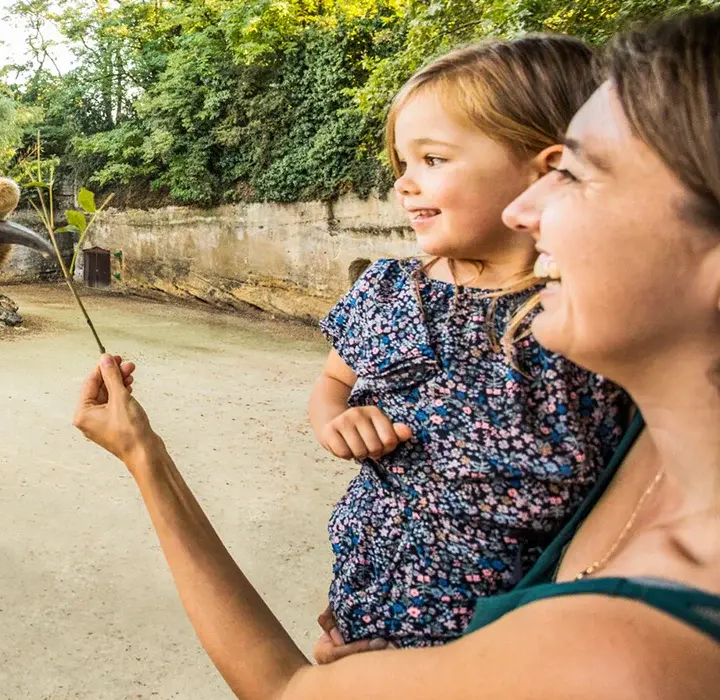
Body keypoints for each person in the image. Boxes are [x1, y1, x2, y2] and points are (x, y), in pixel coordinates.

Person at [73, 12, 720, 698]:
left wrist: (145, 457)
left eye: (575, 174)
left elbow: (285, 689)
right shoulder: (659, 439)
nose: (525, 212)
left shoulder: (621, 657)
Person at [307, 35, 630, 651]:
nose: (404, 184)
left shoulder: (586, 323)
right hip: (366, 601)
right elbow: (333, 384)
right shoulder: (387, 289)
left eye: (433, 160)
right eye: (402, 163)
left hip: (500, 650)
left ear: (547, 166)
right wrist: (336, 424)